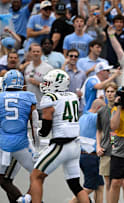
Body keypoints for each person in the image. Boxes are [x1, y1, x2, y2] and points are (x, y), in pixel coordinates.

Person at [20, 69, 90, 203]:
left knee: (35, 176)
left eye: (48, 82)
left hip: (61, 145)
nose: (45, 84)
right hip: (75, 146)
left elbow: (46, 129)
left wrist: (37, 133)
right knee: (75, 184)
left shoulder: (50, 98)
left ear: (57, 84)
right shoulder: (72, 95)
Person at [0, 70, 37, 203]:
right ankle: (24, 199)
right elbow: (34, 121)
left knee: (3, 179)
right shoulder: (29, 96)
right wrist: (36, 143)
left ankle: (24, 200)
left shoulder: (1, 97)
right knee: (36, 174)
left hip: (4, 144)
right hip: (22, 142)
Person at [69, 99, 106, 203]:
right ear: (99, 109)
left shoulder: (83, 117)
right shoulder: (95, 117)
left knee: (99, 186)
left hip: (83, 156)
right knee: (89, 187)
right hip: (91, 157)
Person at [96, 82, 118, 203]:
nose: (110, 94)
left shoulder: (121, 109)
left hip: (120, 150)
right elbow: (99, 131)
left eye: (112, 91)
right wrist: (98, 146)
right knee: (108, 182)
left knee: (121, 182)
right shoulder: (101, 111)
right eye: (108, 91)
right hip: (106, 150)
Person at [24, 43, 54, 109]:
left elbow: (52, 87)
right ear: (30, 53)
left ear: (41, 53)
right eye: (34, 51)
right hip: (29, 105)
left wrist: (38, 84)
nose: (36, 53)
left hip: (42, 105)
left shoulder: (48, 68)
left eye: (38, 51)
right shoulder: (27, 66)